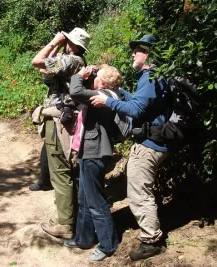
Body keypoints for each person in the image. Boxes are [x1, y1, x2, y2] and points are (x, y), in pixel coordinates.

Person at [90, 34, 171, 260]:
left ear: (148, 53)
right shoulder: (152, 76)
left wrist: (108, 101)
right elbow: (139, 102)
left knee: (138, 193)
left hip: (149, 145)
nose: (133, 54)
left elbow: (135, 111)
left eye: (137, 50)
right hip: (154, 141)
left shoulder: (151, 77)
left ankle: (151, 241)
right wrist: (121, 91)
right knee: (140, 190)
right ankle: (151, 233)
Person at [31, 28, 90, 239]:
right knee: (62, 170)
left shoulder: (72, 61)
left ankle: (65, 223)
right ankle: (67, 216)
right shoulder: (74, 62)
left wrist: (54, 42)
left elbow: (36, 62)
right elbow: (44, 70)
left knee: (60, 171)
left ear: (73, 44)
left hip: (59, 122)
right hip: (60, 119)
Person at [63, 64, 121, 262]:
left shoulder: (102, 96)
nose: (93, 78)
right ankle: (84, 238)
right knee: (85, 198)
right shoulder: (106, 92)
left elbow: (76, 90)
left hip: (95, 152)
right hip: (89, 150)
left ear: (103, 82)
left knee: (96, 201)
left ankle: (108, 245)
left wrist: (80, 74)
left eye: (97, 77)